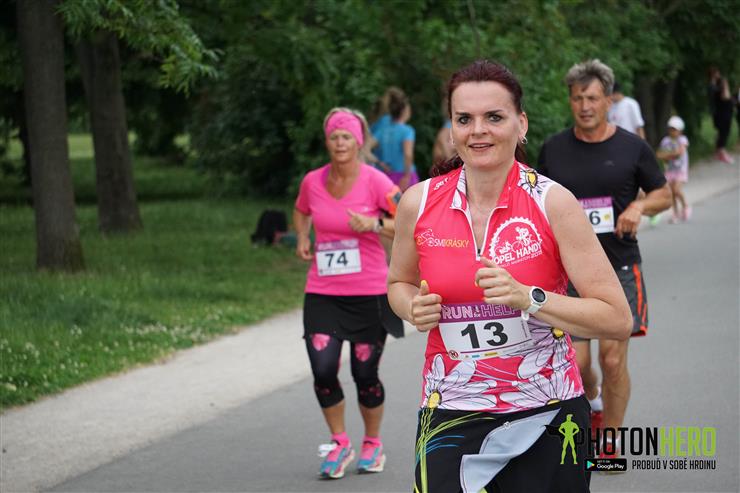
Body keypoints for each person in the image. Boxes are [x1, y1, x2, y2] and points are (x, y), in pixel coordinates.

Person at [388, 60, 632, 492]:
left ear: (521, 124)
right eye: (464, 119)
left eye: (494, 117)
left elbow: (617, 318)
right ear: (451, 129)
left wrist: (529, 298)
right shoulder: (418, 202)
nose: (478, 130)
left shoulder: (553, 202)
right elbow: (398, 284)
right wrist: (412, 306)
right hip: (452, 409)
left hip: (546, 411)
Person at [537, 59, 672, 460]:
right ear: (570, 100)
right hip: (569, 272)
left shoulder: (633, 147)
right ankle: (592, 398)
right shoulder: (554, 149)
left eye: (593, 98)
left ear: (608, 101)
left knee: (612, 359)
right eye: (578, 98)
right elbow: (535, 198)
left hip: (618, 266)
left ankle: (609, 440)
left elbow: (663, 194)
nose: (585, 106)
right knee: (578, 364)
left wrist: (639, 206)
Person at [293, 107, 403, 479]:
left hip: (368, 292)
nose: (340, 143)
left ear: (358, 142)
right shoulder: (312, 181)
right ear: (327, 142)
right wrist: (303, 235)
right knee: (323, 370)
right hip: (322, 291)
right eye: (334, 137)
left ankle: (372, 443)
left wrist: (374, 223)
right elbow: (301, 210)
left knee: (364, 372)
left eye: (346, 137)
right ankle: (339, 442)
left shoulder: (376, 181)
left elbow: (407, 219)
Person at [372, 90, 418, 190]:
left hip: (387, 176)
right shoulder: (407, 130)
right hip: (404, 175)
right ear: (404, 111)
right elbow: (408, 154)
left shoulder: (382, 131)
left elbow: (366, 149)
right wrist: (407, 176)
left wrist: (379, 163)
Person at [656, 116, 691, 223]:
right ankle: (675, 213)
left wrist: (667, 155)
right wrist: (669, 155)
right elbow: (659, 154)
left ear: (680, 131)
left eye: (675, 129)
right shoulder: (665, 141)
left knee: (676, 190)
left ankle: (685, 206)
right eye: (671, 129)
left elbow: (679, 153)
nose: (672, 131)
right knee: (671, 193)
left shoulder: (682, 140)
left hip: (681, 170)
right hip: (670, 171)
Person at [708, 67, 735, 164]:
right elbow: (726, 97)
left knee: (721, 133)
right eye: (717, 73)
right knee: (724, 133)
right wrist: (725, 86)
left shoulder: (714, 86)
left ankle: (717, 153)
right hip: (723, 114)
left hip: (722, 113)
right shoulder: (715, 87)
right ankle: (722, 153)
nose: (719, 75)